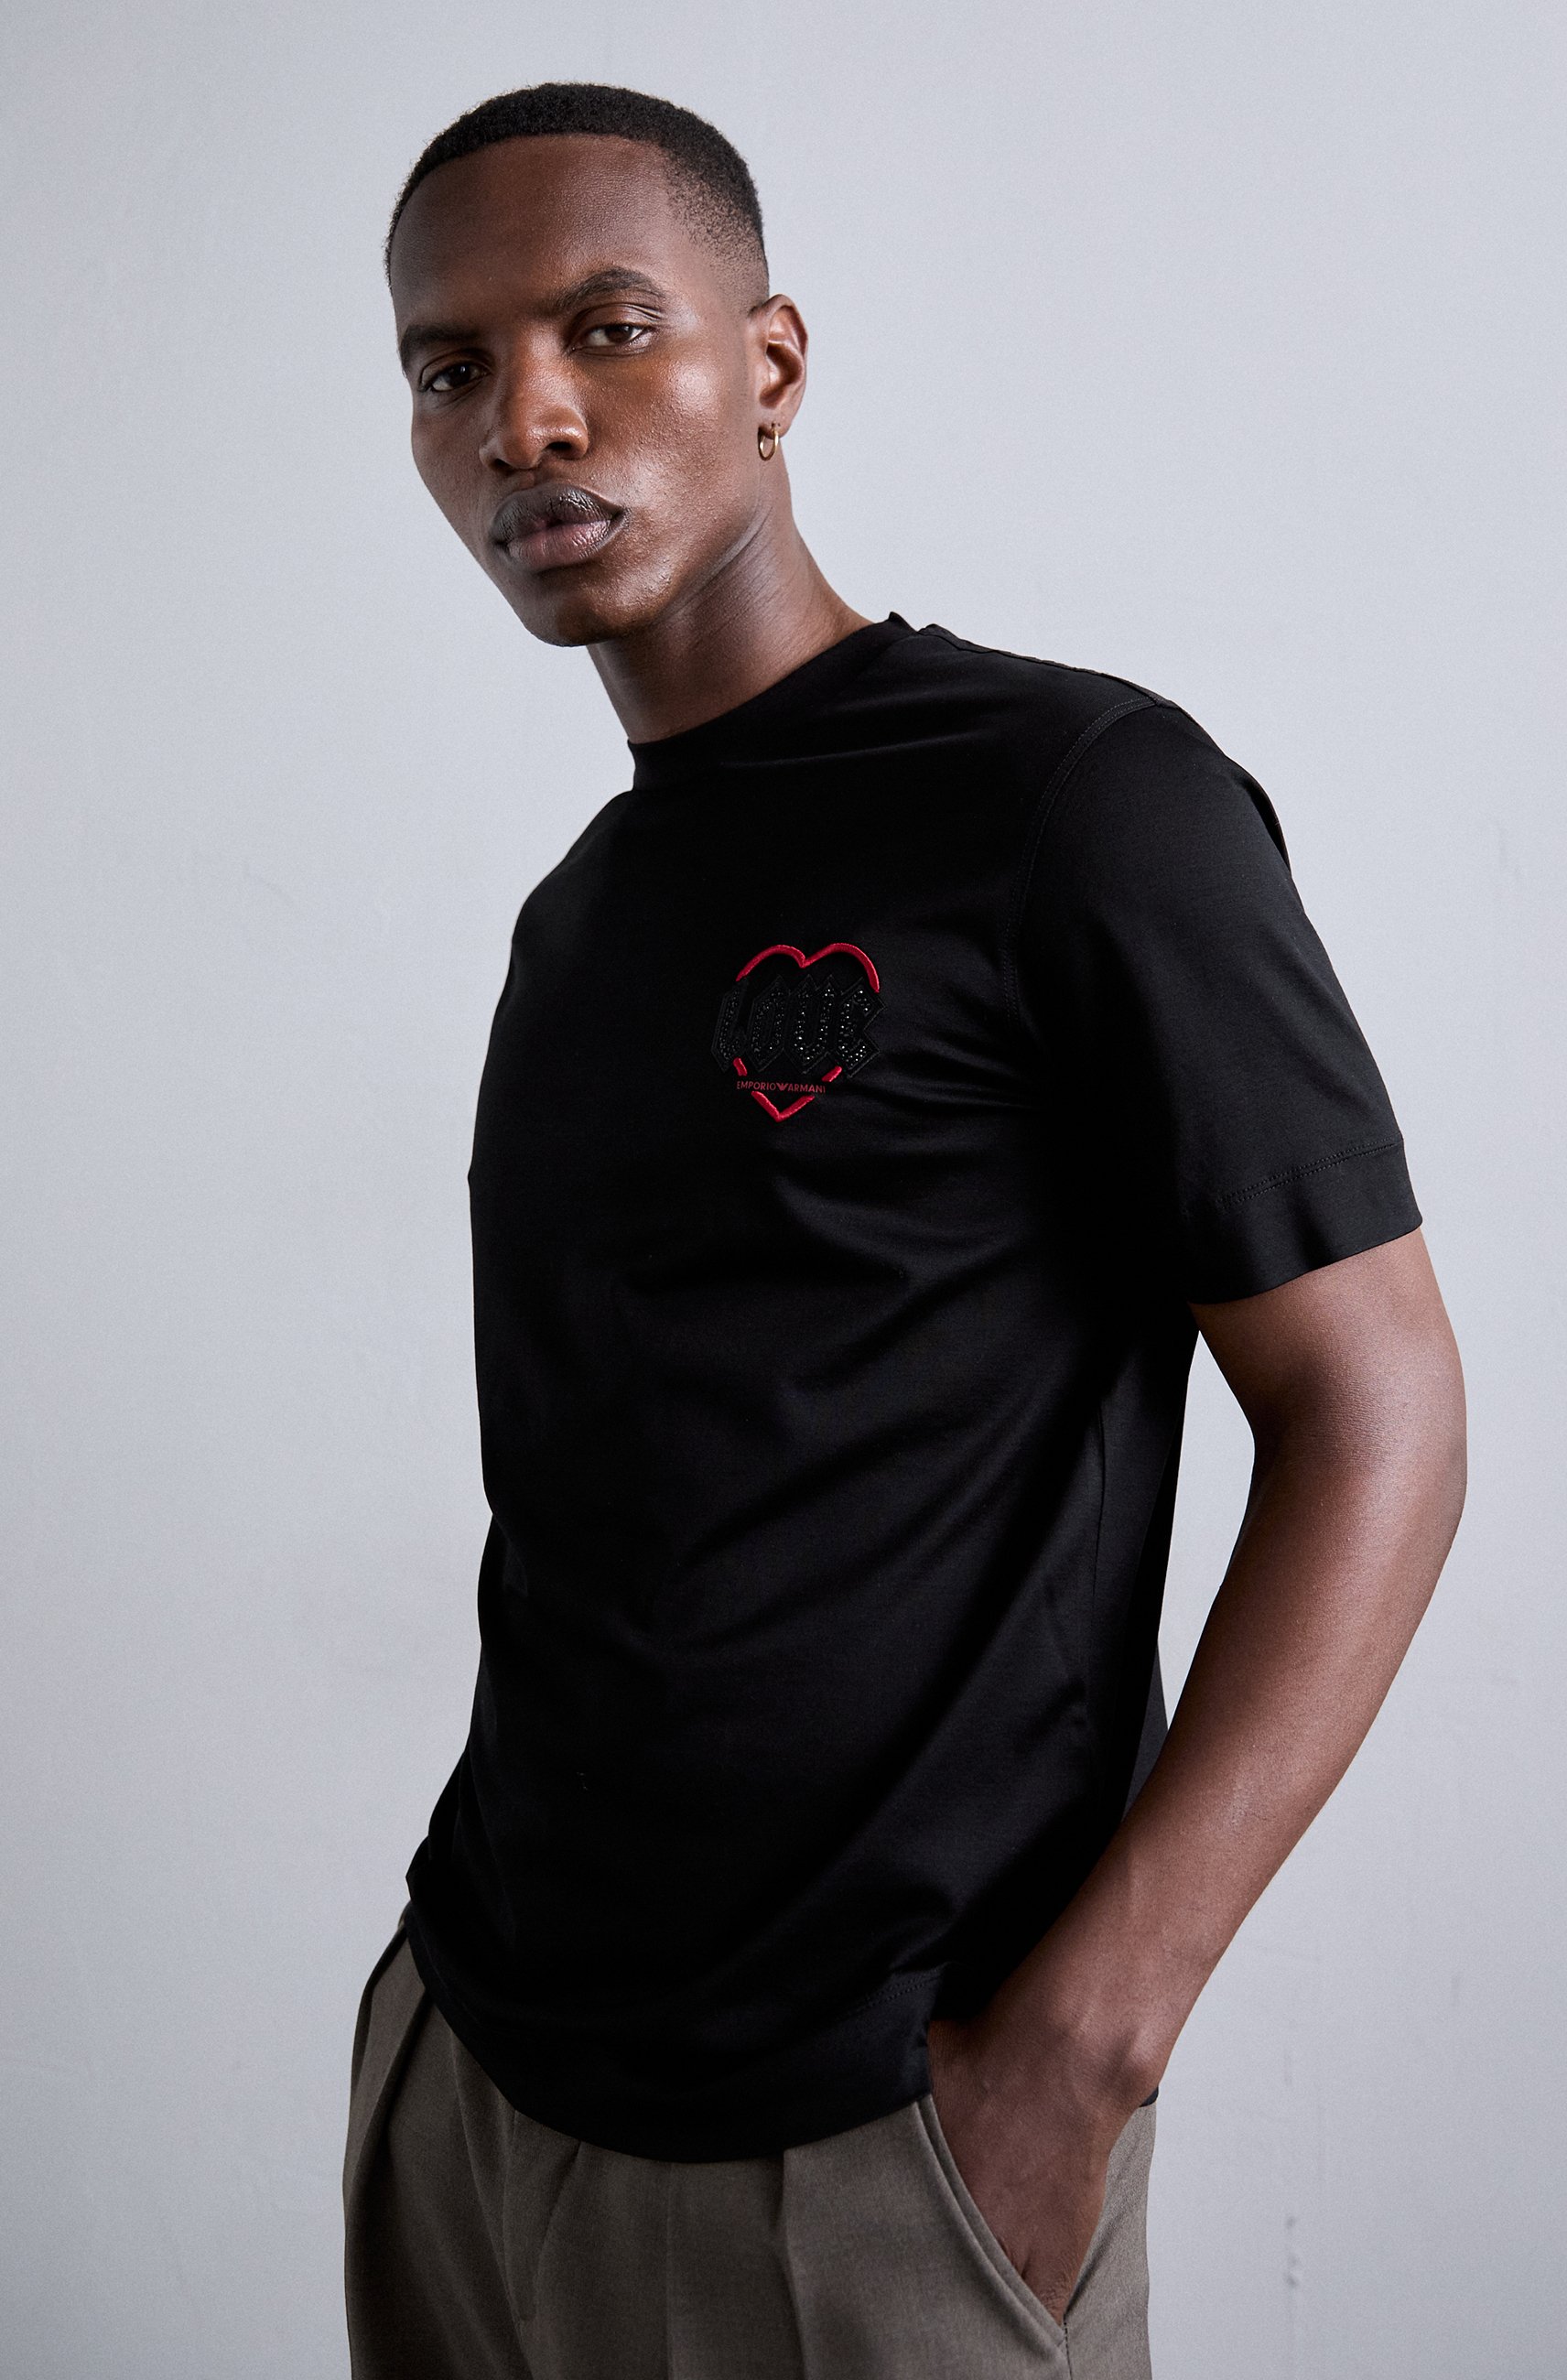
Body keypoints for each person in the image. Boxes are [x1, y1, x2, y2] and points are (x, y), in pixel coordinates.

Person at [342, 81, 1467, 2380]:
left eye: (605, 329)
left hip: (870, 2140)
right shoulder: (579, 916)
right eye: (450, 369)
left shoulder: (1074, 801)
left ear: (767, 364)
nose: (523, 419)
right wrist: (428, 2034)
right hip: (474, 2072)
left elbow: (1379, 1414)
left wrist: (1087, 2045)